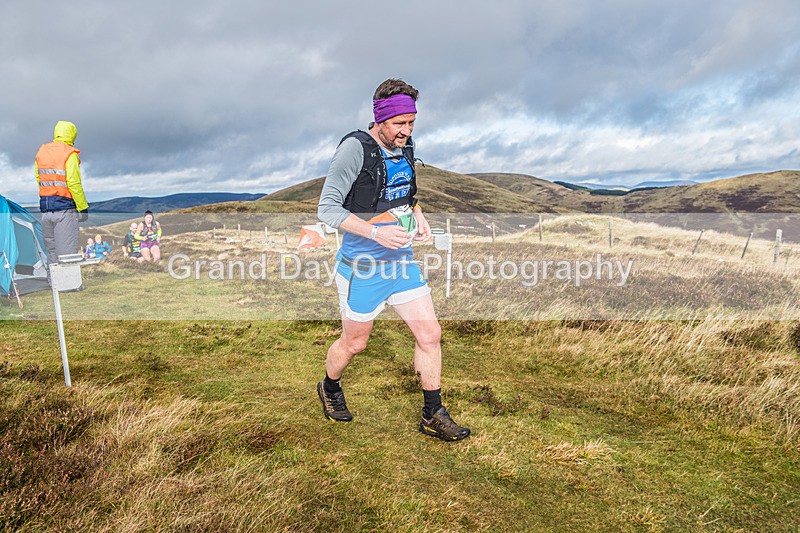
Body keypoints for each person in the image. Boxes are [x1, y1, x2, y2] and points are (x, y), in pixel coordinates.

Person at [316, 78, 470, 441]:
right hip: (362, 267)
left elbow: (403, 194)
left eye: (412, 123)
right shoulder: (355, 149)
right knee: (355, 344)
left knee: (430, 334)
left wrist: (417, 212)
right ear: (380, 119)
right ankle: (329, 386)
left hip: (401, 262)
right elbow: (327, 209)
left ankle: (433, 413)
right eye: (399, 124)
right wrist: (375, 232)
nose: (407, 131)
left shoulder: (407, 147)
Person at [35, 121, 89, 266]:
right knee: (68, 250)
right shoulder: (69, 153)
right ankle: (68, 286)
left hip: (46, 210)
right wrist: (82, 207)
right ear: (72, 135)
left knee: (51, 251)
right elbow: (73, 183)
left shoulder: (42, 152)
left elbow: (38, 178)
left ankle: (53, 282)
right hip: (65, 209)